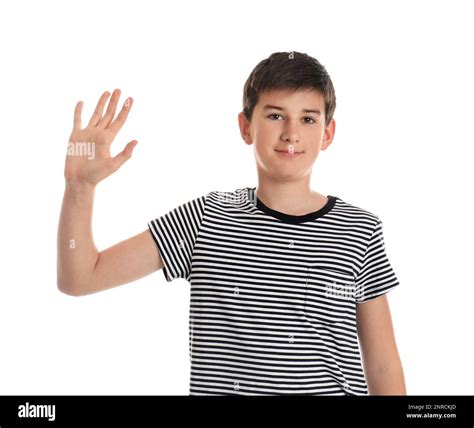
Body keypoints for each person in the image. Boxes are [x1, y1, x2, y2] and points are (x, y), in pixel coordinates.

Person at [57, 51, 406, 396]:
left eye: (308, 119)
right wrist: (79, 187)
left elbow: (382, 364)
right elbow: (80, 277)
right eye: (275, 115)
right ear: (245, 127)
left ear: (328, 133)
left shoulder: (359, 229)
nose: (291, 133)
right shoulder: (205, 219)